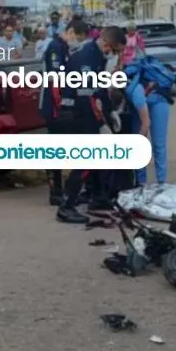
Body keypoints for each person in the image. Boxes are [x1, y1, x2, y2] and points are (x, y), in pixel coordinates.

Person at [56, 26, 126, 224]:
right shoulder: (86, 58)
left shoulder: (96, 57)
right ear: (107, 44)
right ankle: (66, 207)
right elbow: (86, 96)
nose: (115, 55)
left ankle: (98, 197)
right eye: (115, 51)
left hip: (86, 112)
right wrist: (101, 124)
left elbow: (100, 90)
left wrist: (110, 111)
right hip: (75, 113)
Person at [41, 19, 88, 206]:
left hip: (61, 105)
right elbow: (55, 80)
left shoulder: (64, 48)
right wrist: (62, 106)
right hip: (55, 106)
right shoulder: (56, 47)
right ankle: (56, 192)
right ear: (70, 32)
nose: (77, 42)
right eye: (78, 37)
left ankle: (61, 190)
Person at [126, 68, 172, 186]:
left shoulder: (133, 92)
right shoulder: (129, 89)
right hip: (144, 98)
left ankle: (161, 182)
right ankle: (141, 182)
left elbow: (146, 123)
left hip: (159, 100)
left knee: (158, 143)